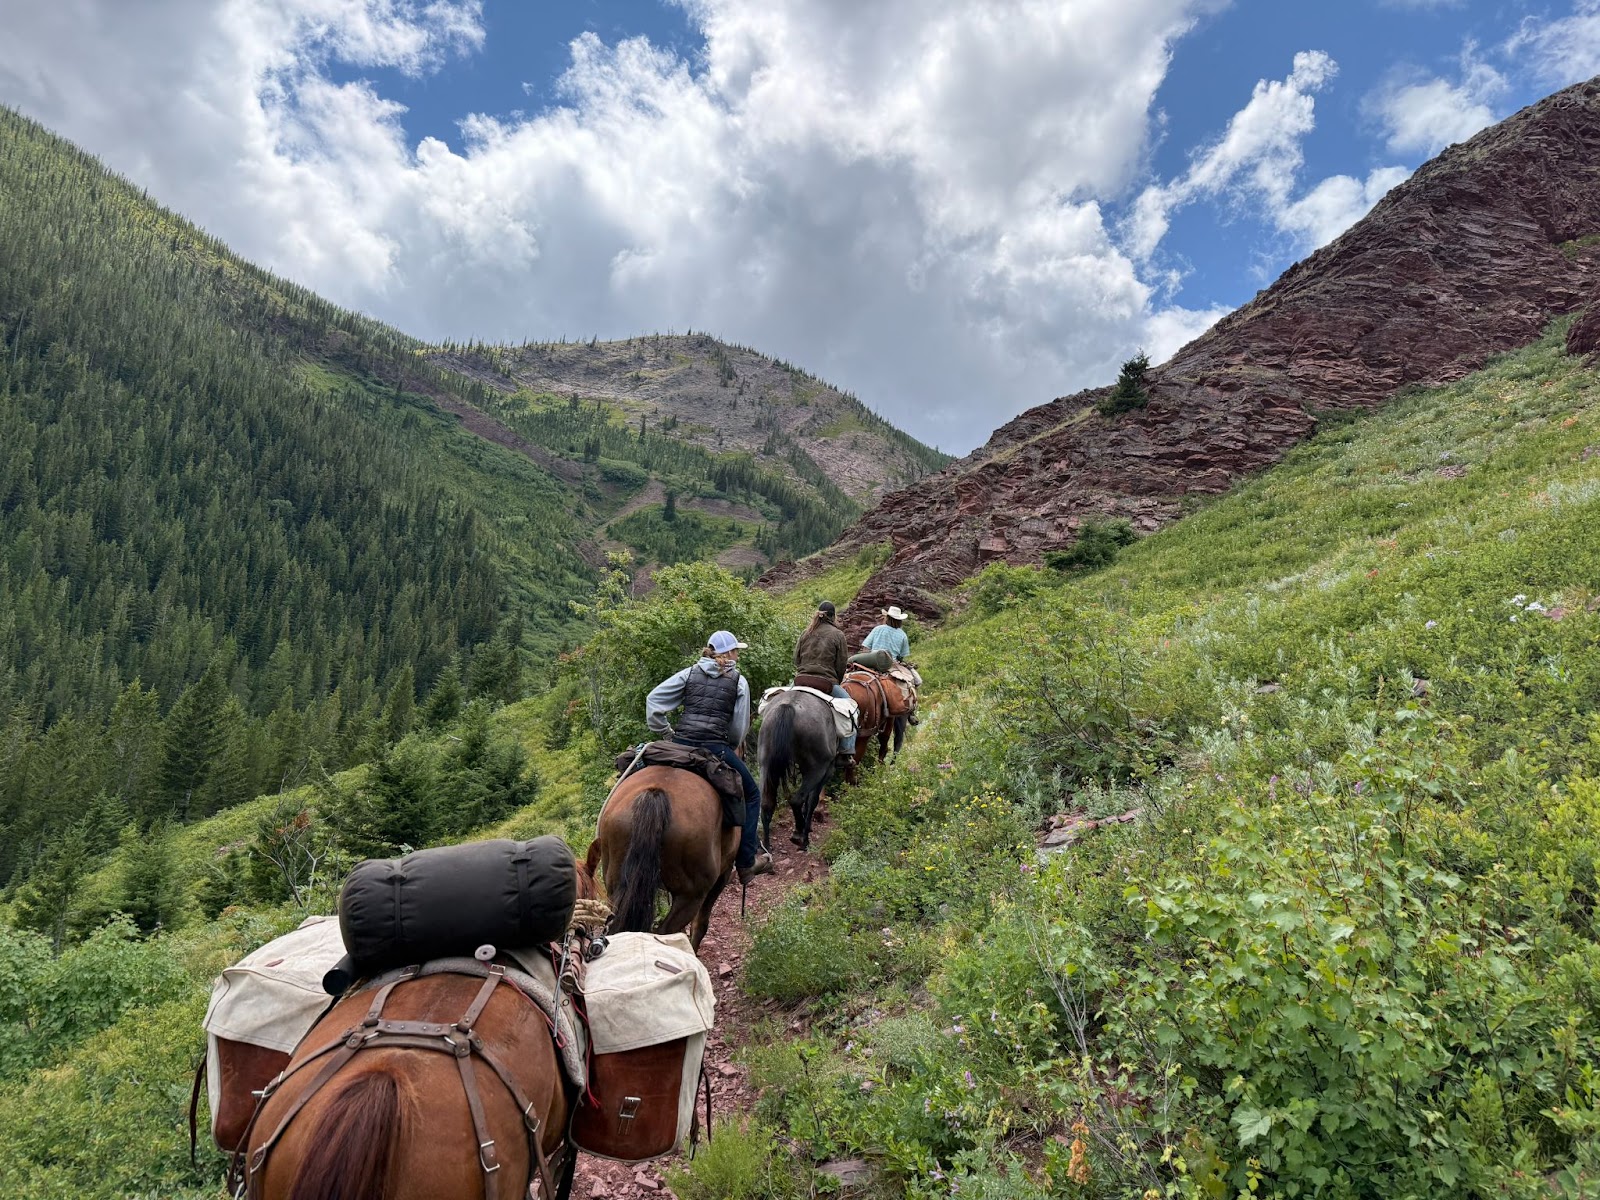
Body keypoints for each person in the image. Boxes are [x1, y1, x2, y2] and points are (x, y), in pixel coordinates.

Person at [645, 630, 773, 884]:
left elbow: (654, 700)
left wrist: (666, 733)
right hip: (714, 747)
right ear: (728, 653)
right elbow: (738, 727)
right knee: (752, 794)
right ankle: (747, 863)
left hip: (681, 744)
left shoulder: (689, 673)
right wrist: (731, 746)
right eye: (736, 650)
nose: (738, 655)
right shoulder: (739, 681)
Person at [793, 601, 855, 763]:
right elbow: (841, 664)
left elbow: (796, 659)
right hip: (825, 682)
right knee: (852, 709)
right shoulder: (838, 635)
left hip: (801, 680)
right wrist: (836, 682)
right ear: (833, 616)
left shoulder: (806, 633)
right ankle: (846, 751)